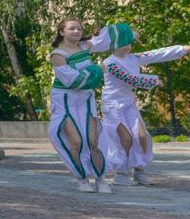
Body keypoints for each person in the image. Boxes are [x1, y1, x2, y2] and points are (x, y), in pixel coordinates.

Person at [98, 26, 186, 186]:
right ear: (113, 45)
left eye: (130, 43)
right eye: (124, 43)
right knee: (125, 138)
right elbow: (130, 79)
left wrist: (184, 49)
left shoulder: (134, 58)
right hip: (112, 105)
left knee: (142, 136)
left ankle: (139, 171)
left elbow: (158, 53)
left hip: (128, 103)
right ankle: (121, 173)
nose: (128, 47)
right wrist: (153, 80)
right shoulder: (109, 63)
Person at [47, 19, 128, 193]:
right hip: (65, 101)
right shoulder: (57, 55)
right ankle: (81, 178)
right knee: (76, 142)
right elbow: (73, 81)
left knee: (93, 141)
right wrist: (98, 70)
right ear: (62, 32)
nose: (76, 31)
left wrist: (127, 33)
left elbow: (105, 39)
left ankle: (101, 179)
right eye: (71, 29)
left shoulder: (85, 46)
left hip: (86, 98)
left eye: (79, 28)